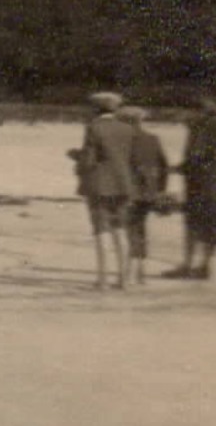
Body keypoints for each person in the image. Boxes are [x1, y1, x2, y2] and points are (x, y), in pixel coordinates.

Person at [163, 93, 216, 280]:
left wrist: (175, 169)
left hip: (202, 180)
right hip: (215, 178)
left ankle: (188, 265)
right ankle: (204, 266)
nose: (182, 116)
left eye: (186, 112)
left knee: (194, 223)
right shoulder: (214, 126)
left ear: (197, 112)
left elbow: (196, 156)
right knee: (212, 223)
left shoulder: (202, 127)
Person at [69, 91, 136, 290]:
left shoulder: (93, 128)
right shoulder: (128, 129)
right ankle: (124, 278)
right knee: (121, 230)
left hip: (99, 185)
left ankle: (103, 279)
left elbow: (89, 160)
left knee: (101, 230)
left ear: (96, 109)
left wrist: (76, 158)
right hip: (123, 184)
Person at [117, 106, 170, 285]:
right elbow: (164, 167)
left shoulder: (124, 140)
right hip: (149, 192)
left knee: (129, 229)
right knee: (140, 228)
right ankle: (141, 270)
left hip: (130, 191)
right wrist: (160, 190)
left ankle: (130, 272)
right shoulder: (153, 139)